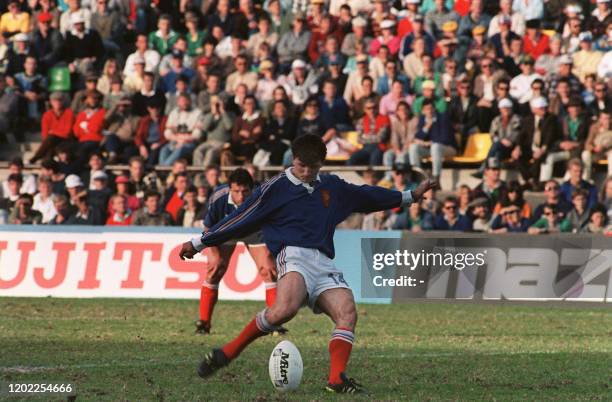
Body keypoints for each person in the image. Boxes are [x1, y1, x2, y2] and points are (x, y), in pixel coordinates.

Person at [178, 134, 437, 393]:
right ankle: (227, 352)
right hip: (293, 256)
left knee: (347, 312)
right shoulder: (275, 187)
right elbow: (240, 218)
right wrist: (200, 242)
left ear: (321, 165)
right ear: (294, 159)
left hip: (323, 262)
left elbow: (365, 196)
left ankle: (336, 380)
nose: (305, 171)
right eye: (300, 165)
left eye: (311, 167)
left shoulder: (331, 186)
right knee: (284, 310)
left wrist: (409, 196)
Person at [194, 168, 280, 335]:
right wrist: (213, 253)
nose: (241, 196)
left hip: (254, 231)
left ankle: (274, 322)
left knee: (269, 269)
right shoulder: (219, 197)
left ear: (252, 188)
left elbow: (274, 222)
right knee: (215, 268)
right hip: (226, 230)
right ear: (229, 188)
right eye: (236, 191)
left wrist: (272, 246)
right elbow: (208, 227)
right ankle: (204, 323)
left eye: (245, 191)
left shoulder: (262, 196)